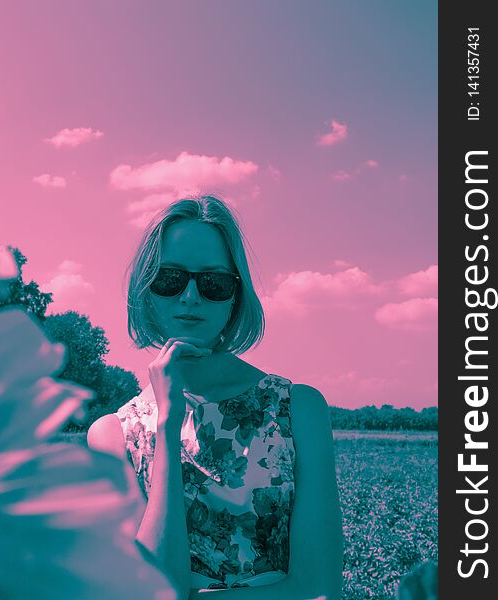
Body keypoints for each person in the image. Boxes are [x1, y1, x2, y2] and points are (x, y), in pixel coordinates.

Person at [87, 195, 343, 599]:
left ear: (236, 297)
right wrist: (167, 427)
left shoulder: (299, 410)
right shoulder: (112, 435)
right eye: (170, 279)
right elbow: (158, 590)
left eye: (214, 284)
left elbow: (320, 587)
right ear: (146, 289)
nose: (191, 297)